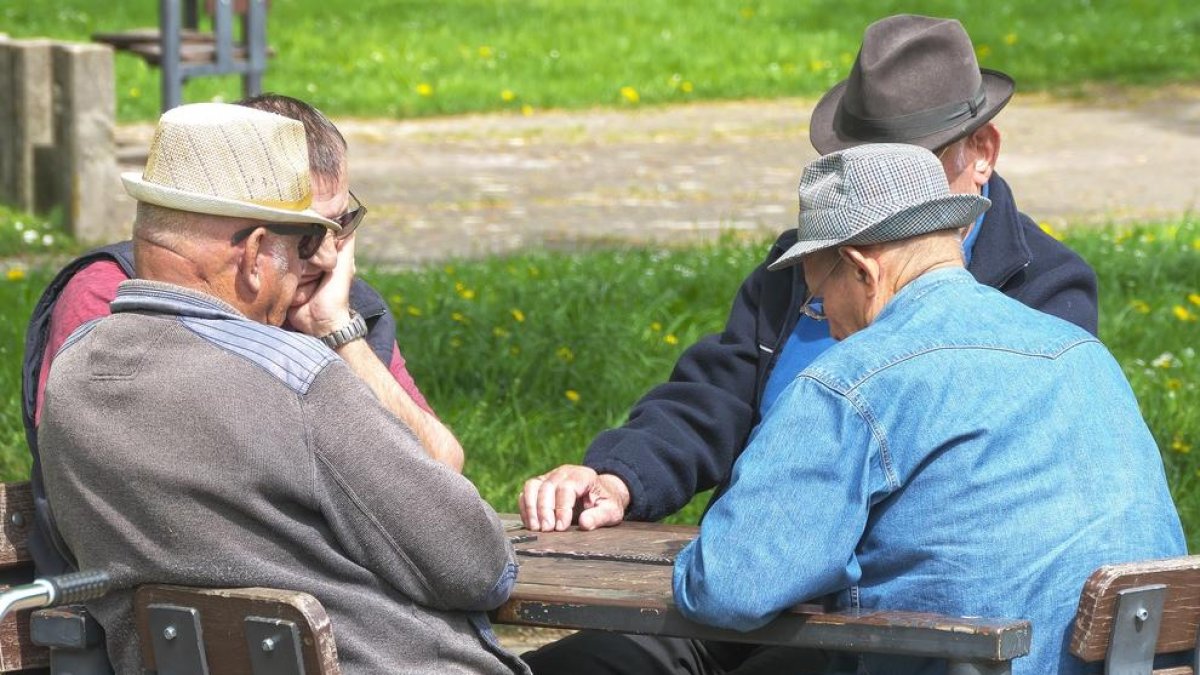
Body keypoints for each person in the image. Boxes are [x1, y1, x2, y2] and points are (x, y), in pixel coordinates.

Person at [520, 14, 1100, 675]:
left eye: (911, 163)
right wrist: (621, 475)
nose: (881, 188)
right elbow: (719, 388)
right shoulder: (812, 264)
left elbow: (1001, 503)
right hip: (758, 574)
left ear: (983, 150)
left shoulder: (1043, 293)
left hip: (885, 610)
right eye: (863, 162)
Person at [37, 102, 526, 675]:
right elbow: (478, 565)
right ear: (253, 256)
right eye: (301, 247)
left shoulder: (72, 375)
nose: (314, 265)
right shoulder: (296, 376)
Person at [672, 142, 1185, 674]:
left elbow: (733, 585)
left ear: (861, 270)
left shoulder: (852, 382)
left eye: (817, 300)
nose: (823, 321)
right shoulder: (1082, 354)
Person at [22, 93, 463, 577]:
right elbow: (162, 492)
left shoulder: (342, 308)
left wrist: (338, 333)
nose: (328, 258)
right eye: (307, 235)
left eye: (341, 226)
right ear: (251, 239)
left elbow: (439, 486)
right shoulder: (113, 296)